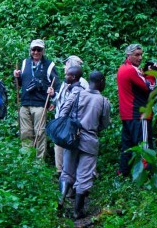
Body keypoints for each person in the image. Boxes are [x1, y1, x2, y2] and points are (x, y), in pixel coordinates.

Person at [59, 69, 111, 219]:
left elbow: (63, 112)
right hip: (90, 141)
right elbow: (105, 124)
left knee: (67, 171)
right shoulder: (103, 101)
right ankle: (77, 211)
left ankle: (60, 202)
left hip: (72, 139)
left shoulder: (76, 93)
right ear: (101, 82)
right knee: (84, 175)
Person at [117, 43, 157, 177]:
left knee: (127, 146)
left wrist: (146, 71)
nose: (140, 57)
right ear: (128, 55)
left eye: (141, 54)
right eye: (137, 55)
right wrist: (153, 74)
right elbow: (149, 87)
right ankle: (147, 177)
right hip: (138, 114)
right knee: (145, 147)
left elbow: (138, 84)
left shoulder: (123, 68)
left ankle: (122, 174)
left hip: (127, 115)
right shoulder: (131, 70)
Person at [14, 39, 59, 160]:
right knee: (25, 133)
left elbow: (56, 84)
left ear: (43, 51)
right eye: (34, 49)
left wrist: (53, 97)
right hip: (25, 103)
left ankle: (39, 162)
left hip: (40, 104)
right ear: (30, 50)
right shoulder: (24, 63)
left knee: (39, 133)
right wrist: (17, 77)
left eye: (39, 49)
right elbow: (20, 84)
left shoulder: (49, 65)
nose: (36, 52)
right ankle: (27, 160)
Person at [48, 55, 89, 175]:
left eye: (66, 65)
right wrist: (53, 97)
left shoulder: (81, 83)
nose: (64, 68)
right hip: (61, 120)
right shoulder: (67, 81)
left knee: (69, 148)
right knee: (59, 145)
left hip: (71, 122)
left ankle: (69, 174)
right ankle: (60, 171)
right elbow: (61, 99)